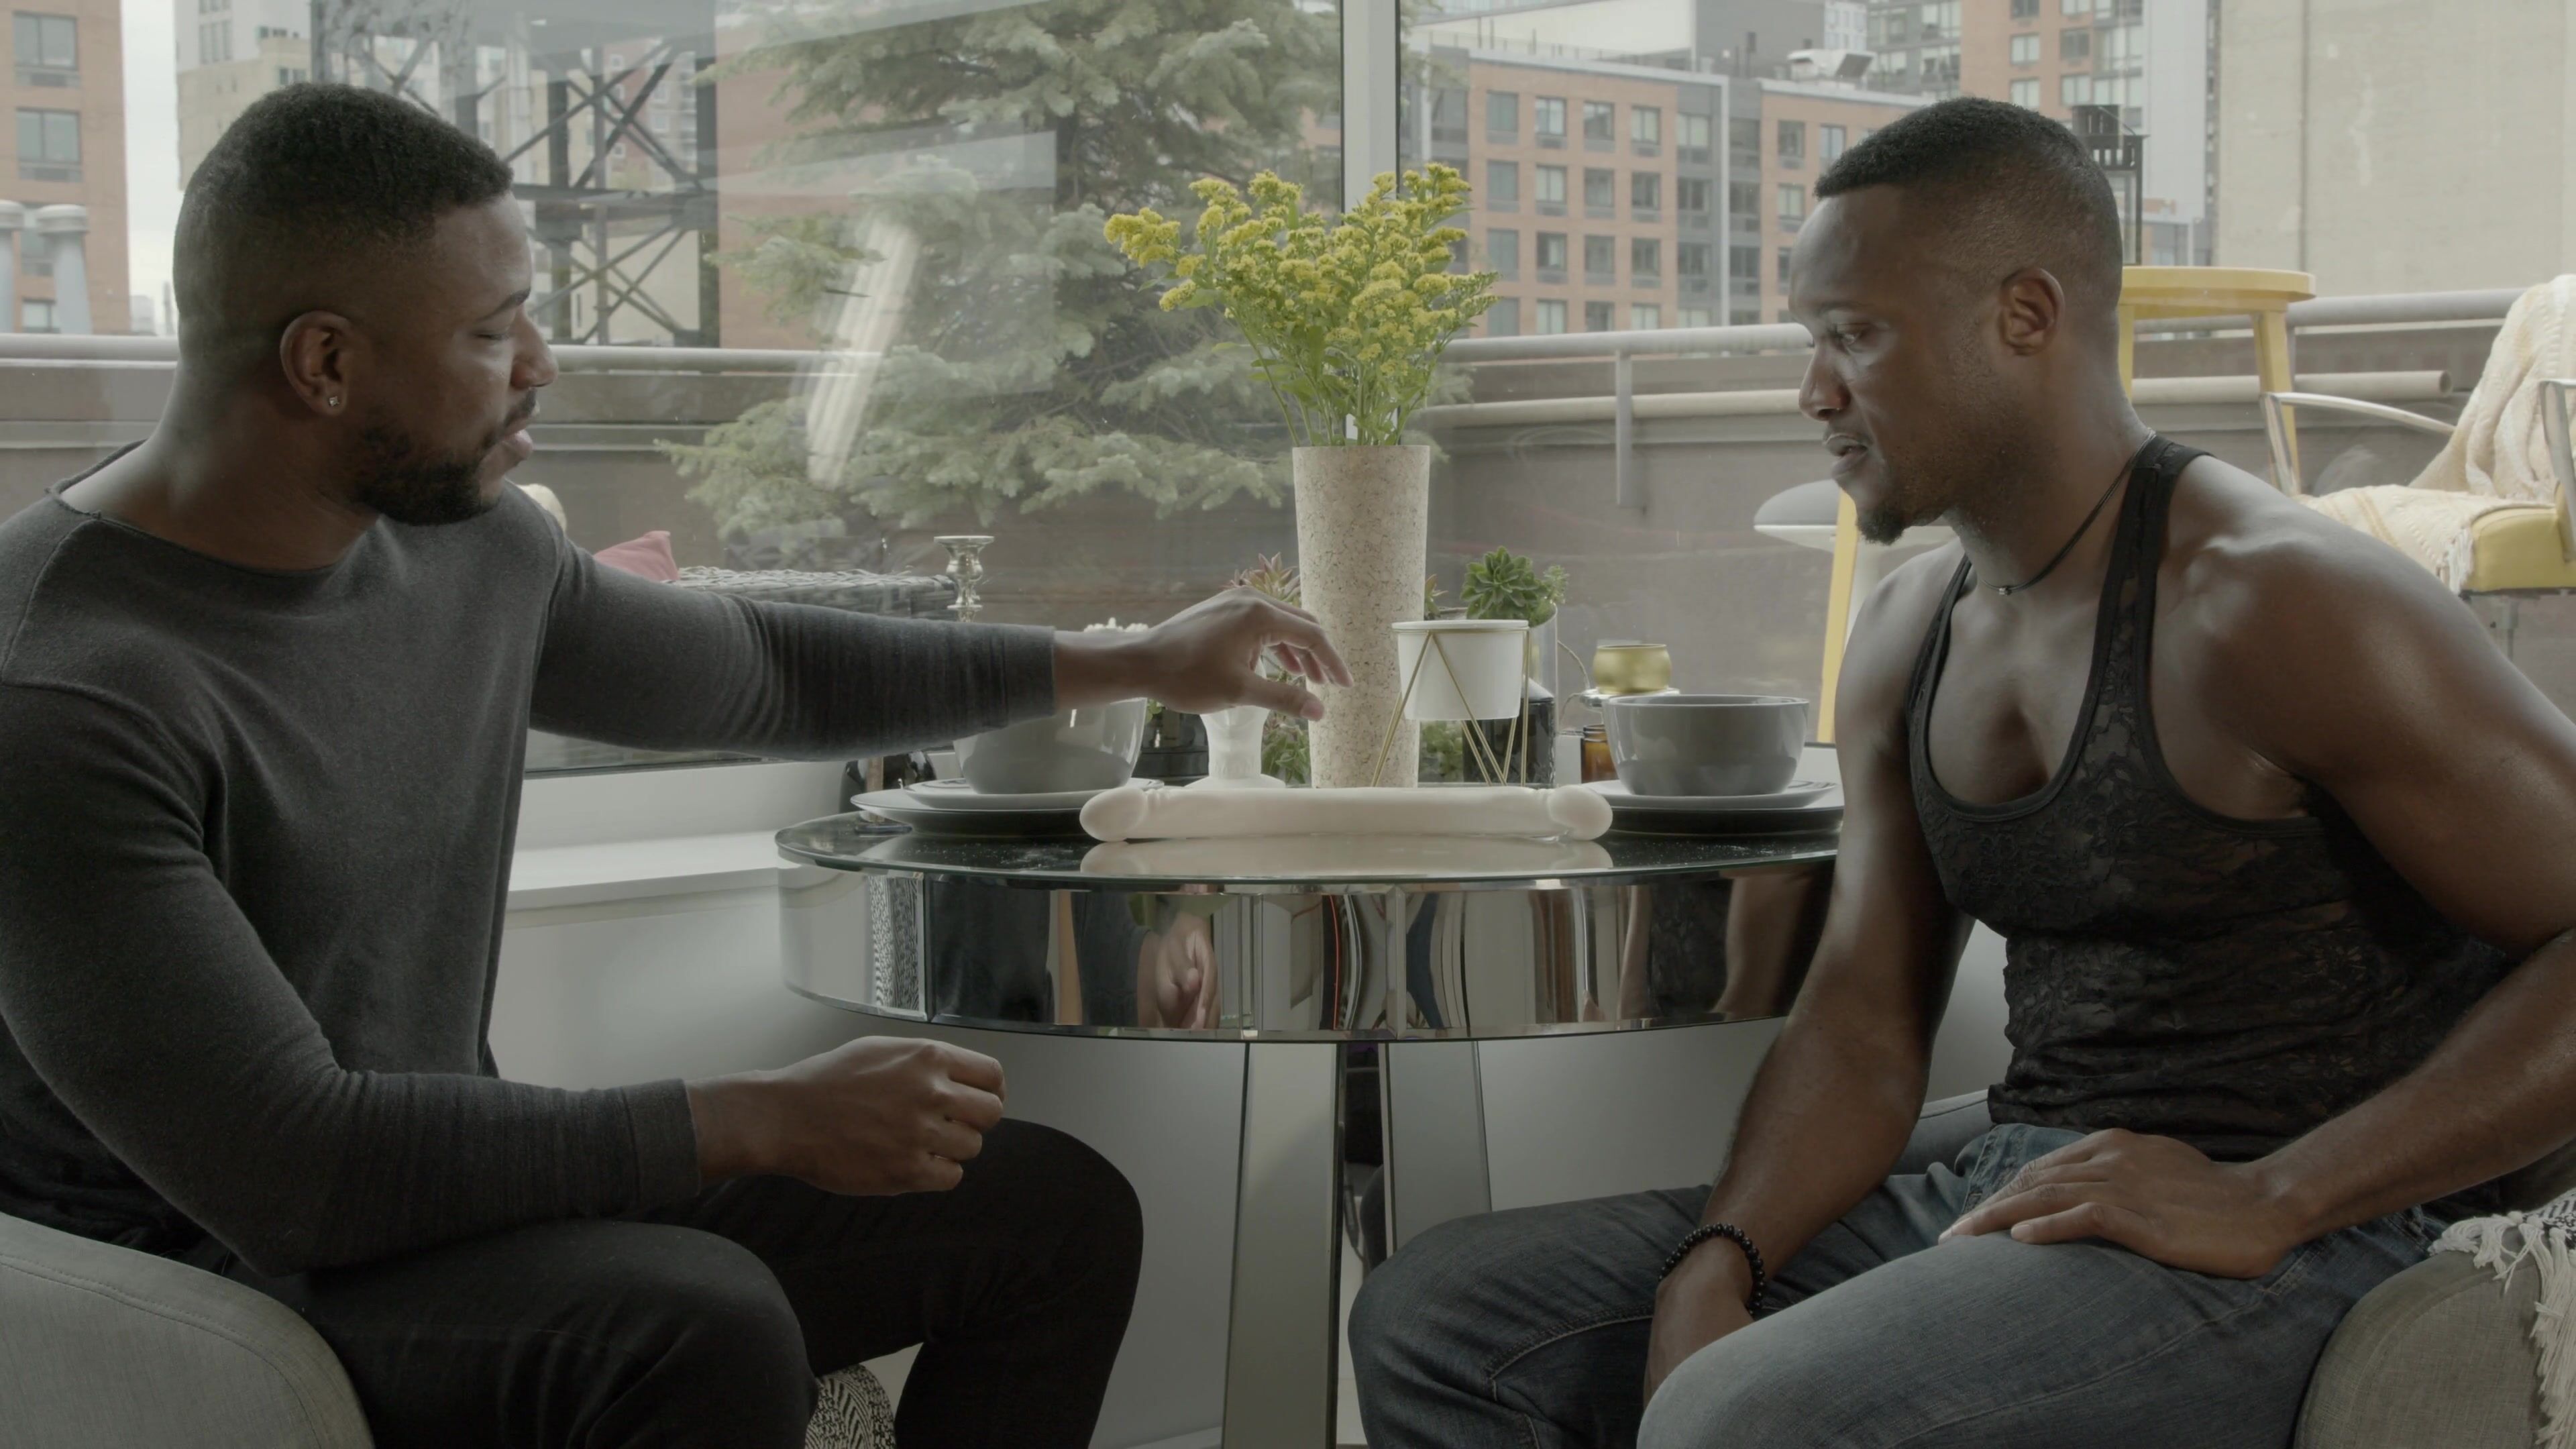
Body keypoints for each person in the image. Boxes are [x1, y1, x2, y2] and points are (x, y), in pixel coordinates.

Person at [0, 85, 1346, 1449]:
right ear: (325, 362)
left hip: (425, 1193)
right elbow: (295, 1170)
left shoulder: (462, 546)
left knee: (1047, 1214)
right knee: (701, 1329)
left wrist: (1132, 659)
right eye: (491, 331)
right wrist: (756, 1121)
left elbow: (763, 671)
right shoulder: (63, 692)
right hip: (204, 1282)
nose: (541, 363)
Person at [1350, 95, 2576, 1449]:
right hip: (2033, 1169)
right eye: (1812, 340)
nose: (1814, 392)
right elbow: (1864, 1016)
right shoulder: (1906, 629)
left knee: (1741, 1417)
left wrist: (2277, 1195)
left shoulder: (2275, 601)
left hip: (2318, 1224)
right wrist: (1721, 1259)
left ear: (2026, 315)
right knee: (1446, 1321)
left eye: (1856, 336)